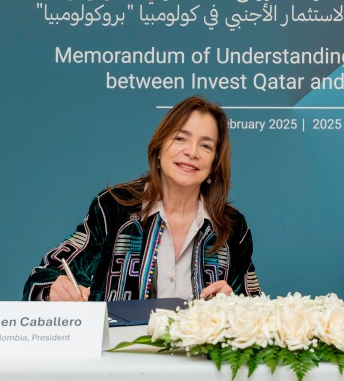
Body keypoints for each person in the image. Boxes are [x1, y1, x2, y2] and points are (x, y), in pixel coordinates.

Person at [23, 96, 260, 302]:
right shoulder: (113, 207)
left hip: (199, 355)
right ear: (159, 148)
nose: (192, 152)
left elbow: (257, 308)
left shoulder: (232, 226)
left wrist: (235, 306)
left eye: (206, 145)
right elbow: (42, 276)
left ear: (214, 162)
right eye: (180, 138)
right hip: (119, 353)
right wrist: (54, 290)